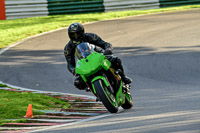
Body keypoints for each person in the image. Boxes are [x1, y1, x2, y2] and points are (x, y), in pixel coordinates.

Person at [64, 22, 132, 90]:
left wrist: (108, 50)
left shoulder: (91, 36)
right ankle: (94, 89)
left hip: (98, 56)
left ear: (82, 32)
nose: (75, 36)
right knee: (78, 83)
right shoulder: (68, 48)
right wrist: (73, 70)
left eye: (77, 33)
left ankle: (123, 77)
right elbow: (70, 63)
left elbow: (105, 44)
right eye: (72, 35)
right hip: (85, 64)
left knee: (116, 60)